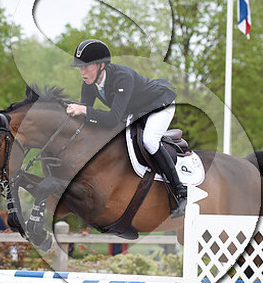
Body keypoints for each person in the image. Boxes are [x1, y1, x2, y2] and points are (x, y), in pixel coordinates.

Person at [65, 39, 187, 218]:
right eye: (80, 67)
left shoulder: (122, 77)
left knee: (149, 140)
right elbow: (87, 118)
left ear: (101, 65)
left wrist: (83, 110)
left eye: (86, 67)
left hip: (159, 105)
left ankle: (181, 193)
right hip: (135, 111)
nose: (82, 72)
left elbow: (112, 119)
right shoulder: (89, 83)